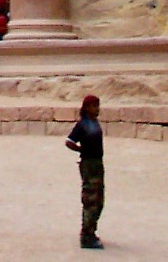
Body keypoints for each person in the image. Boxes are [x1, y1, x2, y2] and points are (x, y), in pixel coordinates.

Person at [67, 94, 105, 251]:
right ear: (87, 108)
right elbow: (69, 141)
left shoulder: (94, 123)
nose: (97, 109)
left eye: (98, 106)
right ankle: (86, 235)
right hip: (89, 165)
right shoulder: (83, 125)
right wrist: (82, 150)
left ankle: (92, 230)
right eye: (94, 106)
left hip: (97, 164)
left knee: (99, 200)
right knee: (91, 199)